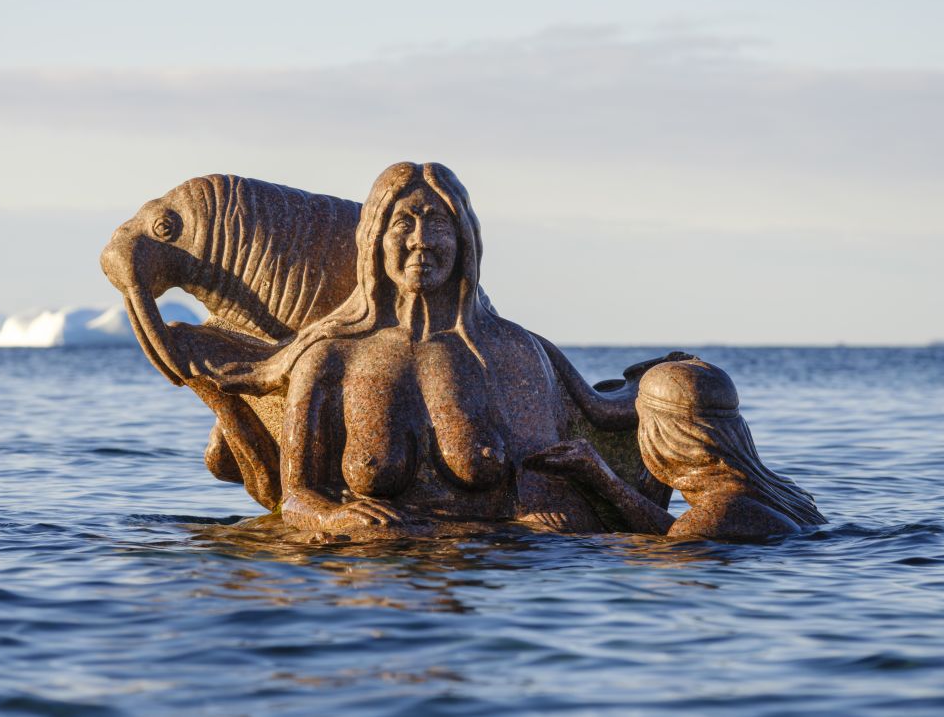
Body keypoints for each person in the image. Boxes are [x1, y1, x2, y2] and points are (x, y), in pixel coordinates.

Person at [204, 161, 637, 533]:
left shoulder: (511, 351)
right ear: (374, 240)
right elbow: (298, 497)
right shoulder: (330, 357)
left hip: (487, 576)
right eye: (403, 223)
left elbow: (546, 489)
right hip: (376, 582)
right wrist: (334, 519)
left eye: (438, 223)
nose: (420, 239)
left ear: (464, 241)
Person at [526, 358, 826, 539]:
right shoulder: (786, 492)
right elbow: (677, 530)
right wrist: (606, 481)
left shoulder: (716, 514)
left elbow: (677, 540)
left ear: (664, 436)